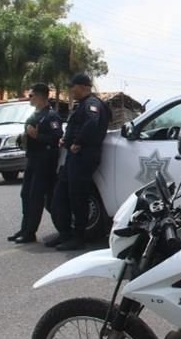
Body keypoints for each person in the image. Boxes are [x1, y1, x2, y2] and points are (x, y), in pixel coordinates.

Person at [46, 73, 110, 251]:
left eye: (73, 87)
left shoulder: (92, 104)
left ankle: (79, 237)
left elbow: (92, 123)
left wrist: (78, 143)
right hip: (73, 157)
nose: (71, 90)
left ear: (82, 86)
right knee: (60, 196)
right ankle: (65, 233)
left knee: (78, 197)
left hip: (84, 157)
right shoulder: (82, 105)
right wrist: (66, 141)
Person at [8, 83, 63, 244]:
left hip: (45, 159)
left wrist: (37, 136)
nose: (29, 98)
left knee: (36, 196)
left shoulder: (51, 116)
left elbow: (56, 138)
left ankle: (30, 232)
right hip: (32, 158)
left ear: (40, 96)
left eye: (31, 95)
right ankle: (25, 228)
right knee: (25, 194)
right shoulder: (34, 115)